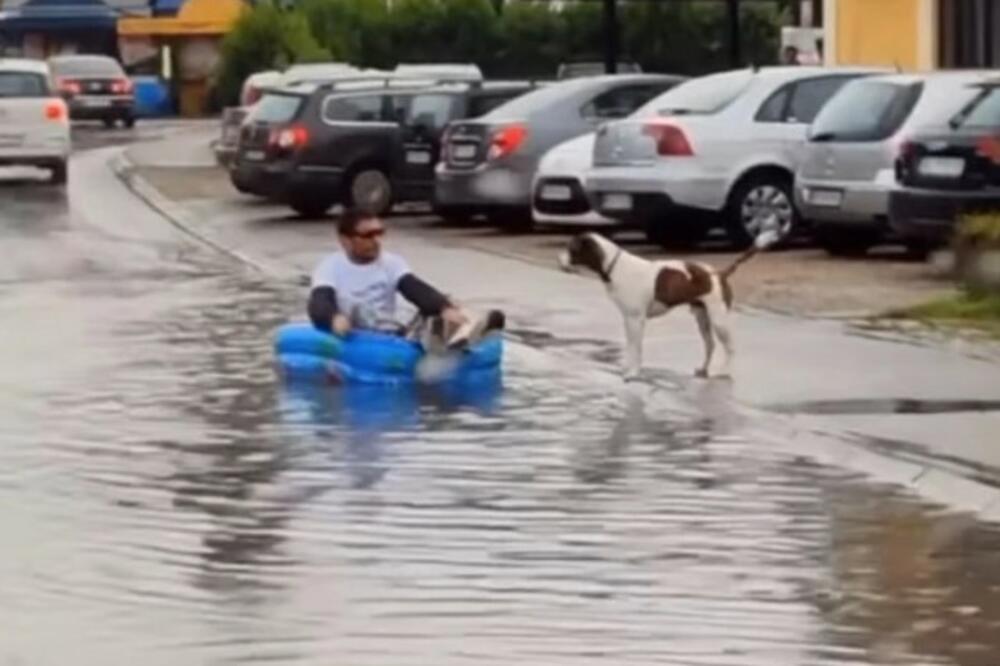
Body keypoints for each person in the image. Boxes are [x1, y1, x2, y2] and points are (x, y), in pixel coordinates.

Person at [307, 208, 503, 347]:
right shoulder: (329, 267)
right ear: (346, 240)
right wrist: (333, 318)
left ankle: (465, 331)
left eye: (379, 233)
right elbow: (320, 301)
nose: (376, 241)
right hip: (352, 332)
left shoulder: (391, 263)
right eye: (368, 235)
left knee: (443, 303)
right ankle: (450, 336)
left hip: (386, 334)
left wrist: (443, 307)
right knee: (354, 310)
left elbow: (413, 288)